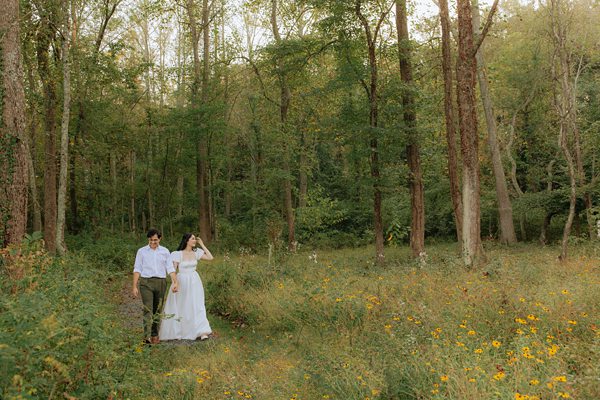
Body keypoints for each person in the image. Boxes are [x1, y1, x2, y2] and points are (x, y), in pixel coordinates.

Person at [159, 233, 214, 341]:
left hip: (195, 281)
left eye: (195, 239)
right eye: (193, 239)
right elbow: (173, 270)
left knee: (197, 305)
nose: (195, 241)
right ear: (187, 241)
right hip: (182, 280)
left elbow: (210, 257)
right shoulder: (177, 254)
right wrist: (175, 283)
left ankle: (202, 331)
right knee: (183, 304)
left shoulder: (196, 252)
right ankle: (182, 330)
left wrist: (202, 244)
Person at [132, 229, 178, 345]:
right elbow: (137, 269)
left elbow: (170, 268)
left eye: (155, 240)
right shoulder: (142, 251)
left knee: (158, 309)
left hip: (161, 282)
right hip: (146, 282)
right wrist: (134, 286)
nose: (153, 242)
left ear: (160, 239)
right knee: (148, 309)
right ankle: (146, 336)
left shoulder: (165, 251)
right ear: (148, 239)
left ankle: (154, 334)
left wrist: (175, 282)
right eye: (151, 240)